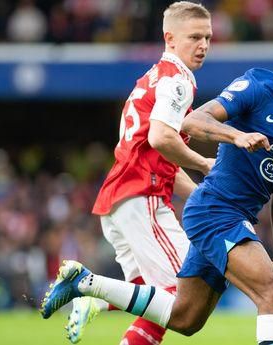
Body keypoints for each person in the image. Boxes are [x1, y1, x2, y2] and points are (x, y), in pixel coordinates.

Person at [41, 22, 273, 345]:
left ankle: (89, 285)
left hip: (233, 216)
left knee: (184, 318)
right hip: (216, 210)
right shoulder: (259, 86)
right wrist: (237, 135)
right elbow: (194, 119)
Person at [58, 2, 214, 344]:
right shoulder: (178, 80)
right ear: (169, 38)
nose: (203, 45)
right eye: (195, 37)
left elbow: (156, 153)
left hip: (120, 199)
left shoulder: (149, 79)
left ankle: (96, 300)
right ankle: (87, 284)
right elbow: (161, 138)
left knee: (152, 302)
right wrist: (204, 164)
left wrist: (204, 192)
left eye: (207, 37)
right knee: (181, 296)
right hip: (142, 198)